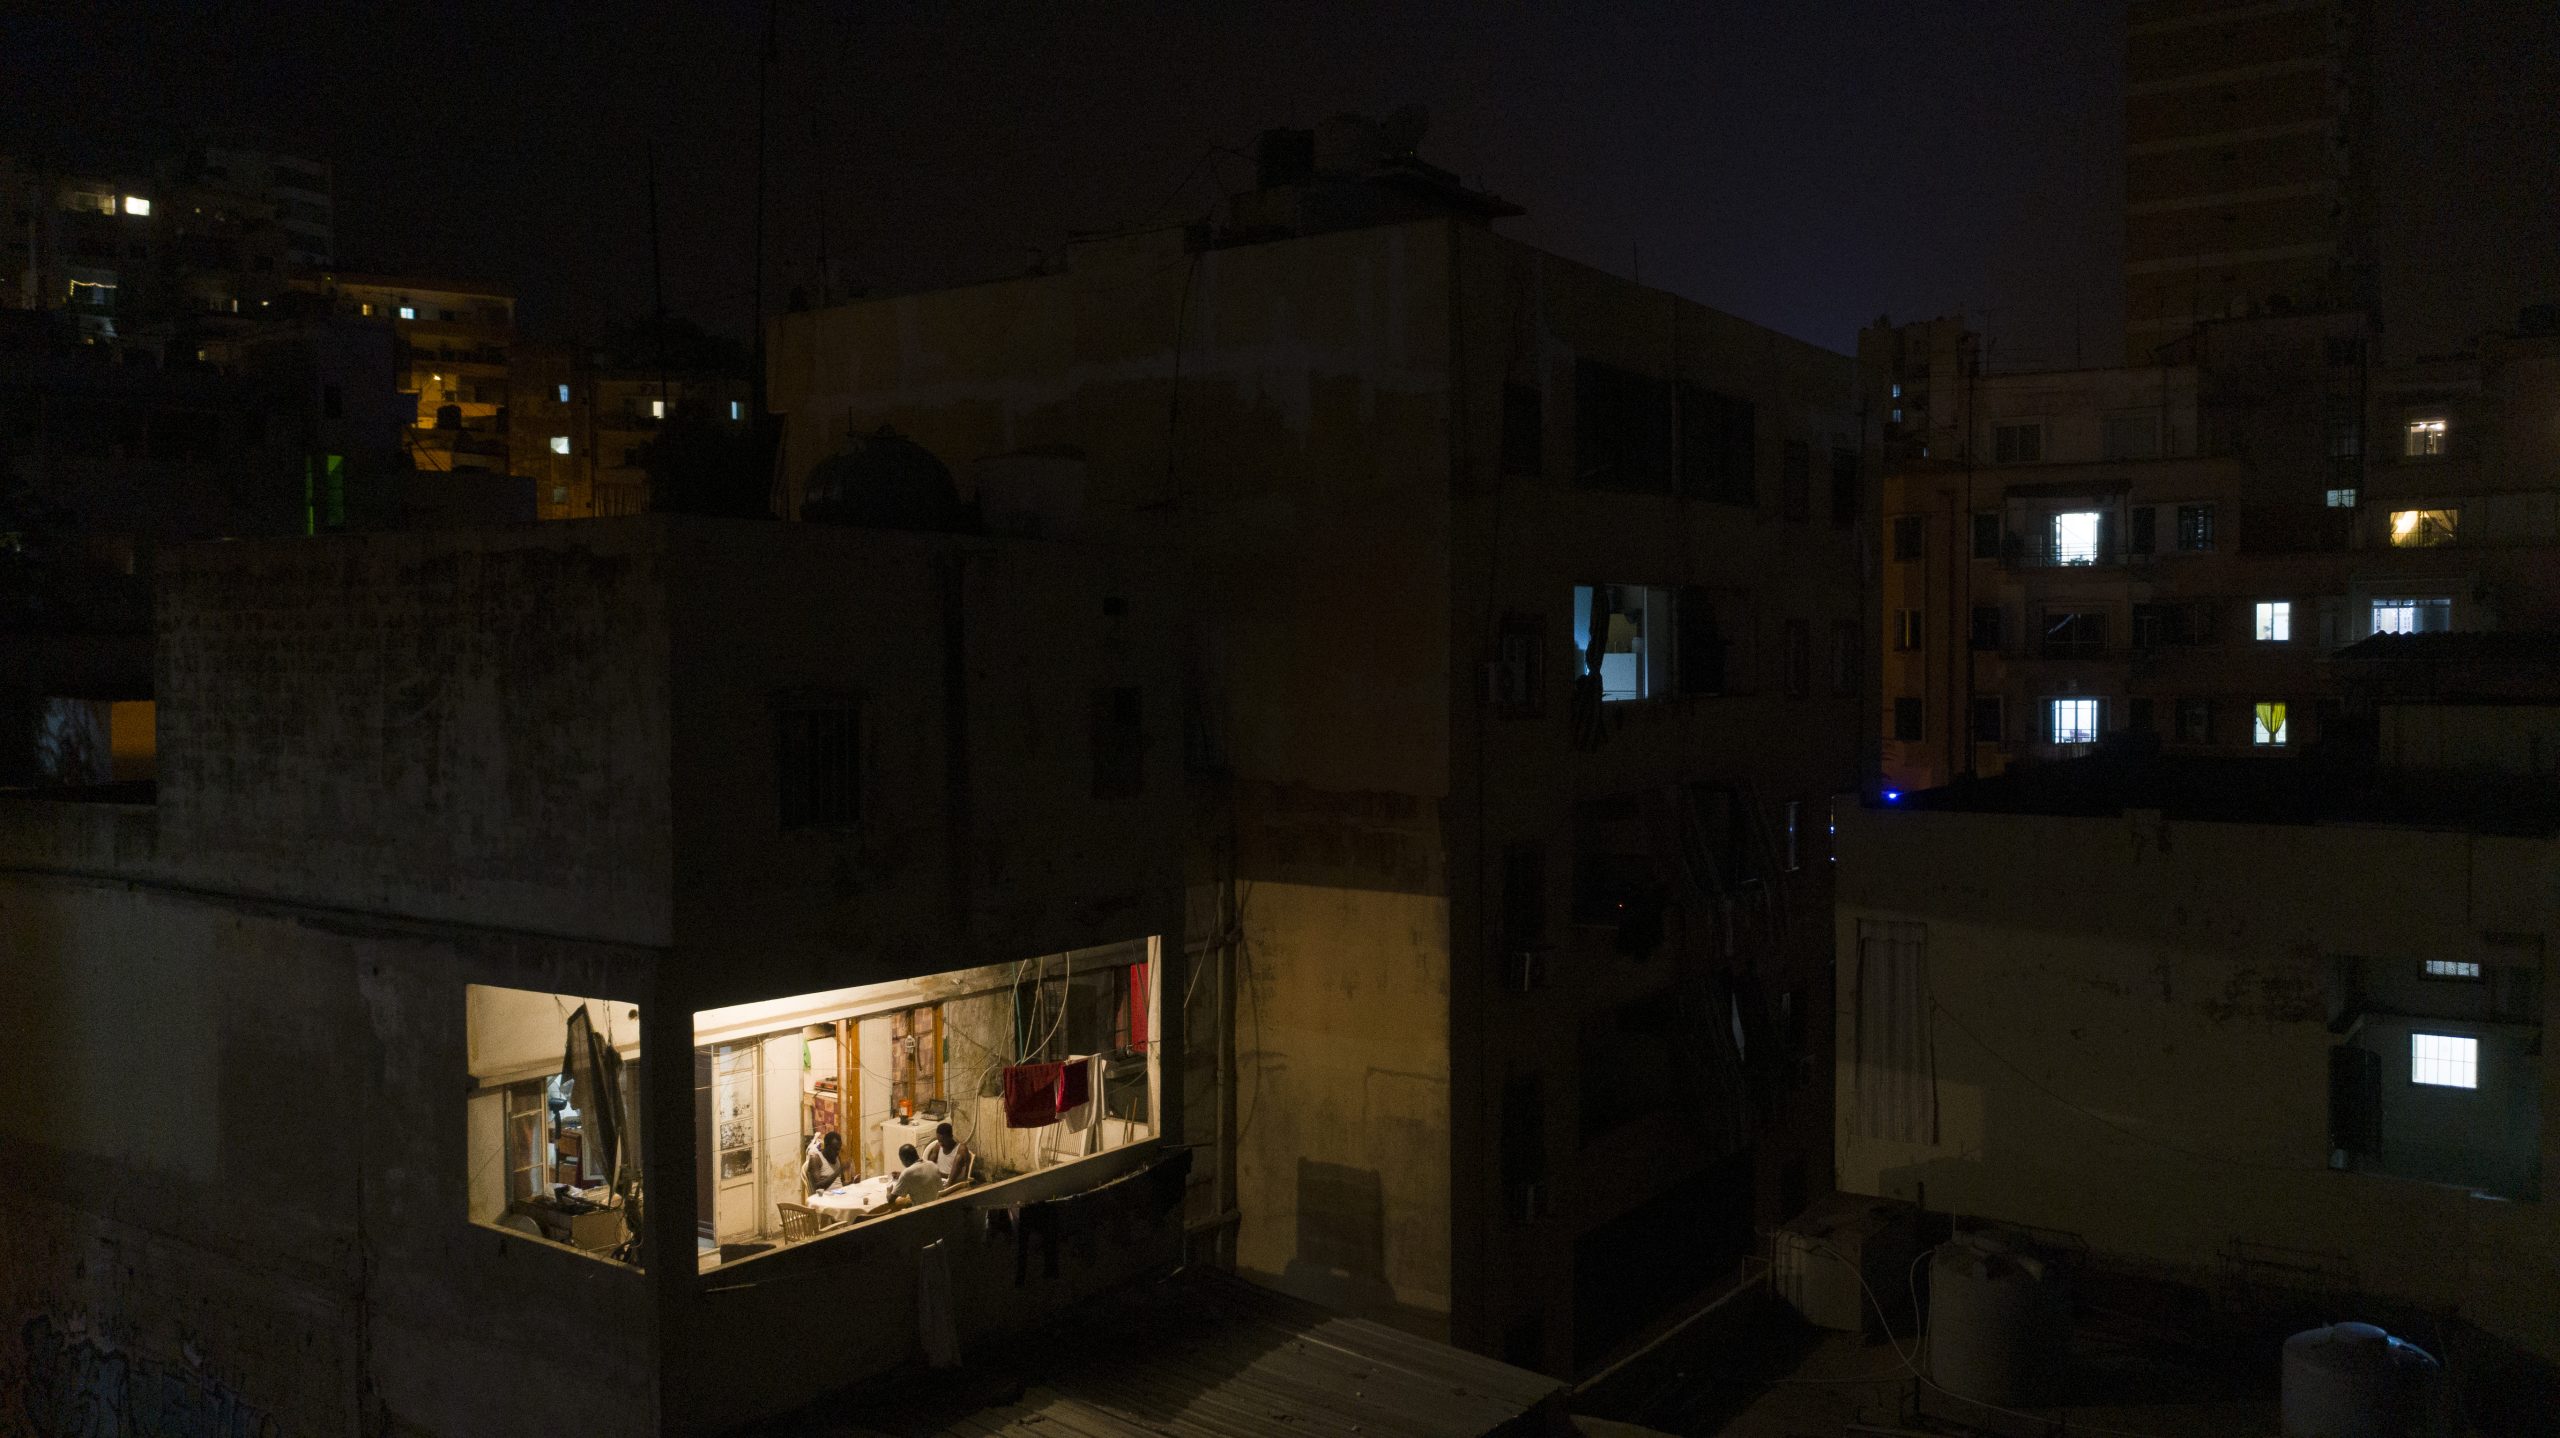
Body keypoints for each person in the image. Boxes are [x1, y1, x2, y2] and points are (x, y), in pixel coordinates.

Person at [923, 1121, 971, 1186]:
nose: (941, 1143)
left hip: (955, 1182)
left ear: (951, 1136)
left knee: (958, 1158)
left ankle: (947, 1185)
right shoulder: (938, 1146)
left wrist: (948, 1184)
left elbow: (964, 1171)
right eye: (939, 1141)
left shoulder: (961, 1149)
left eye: (943, 1140)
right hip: (940, 1180)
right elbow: (929, 1164)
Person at [802, 1130, 845, 1195]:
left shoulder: (837, 1158)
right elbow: (818, 1187)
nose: (837, 1152)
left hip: (840, 1195)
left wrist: (853, 1181)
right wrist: (838, 1171)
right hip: (825, 1199)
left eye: (838, 1149)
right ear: (827, 1147)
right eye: (834, 1149)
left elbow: (841, 1183)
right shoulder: (816, 1159)